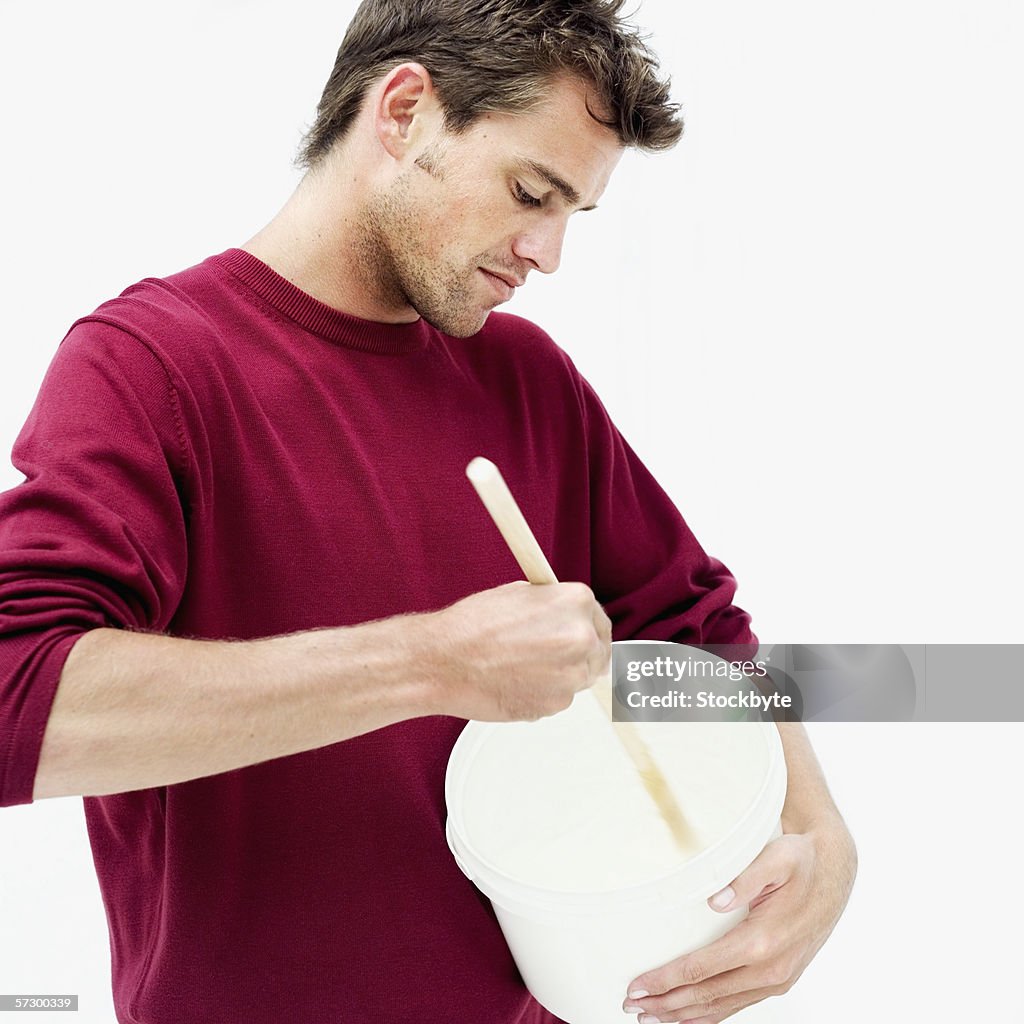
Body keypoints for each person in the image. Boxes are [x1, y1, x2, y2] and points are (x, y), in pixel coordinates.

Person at [0, 1, 856, 1021]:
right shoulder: (152, 366)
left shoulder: (526, 379)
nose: (546, 254)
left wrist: (825, 844)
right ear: (403, 110)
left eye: (571, 215)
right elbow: (17, 699)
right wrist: (429, 663)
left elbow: (696, 634)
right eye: (529, 193)